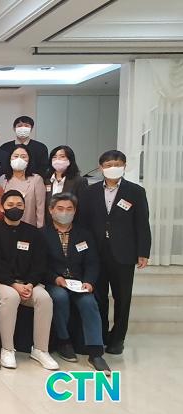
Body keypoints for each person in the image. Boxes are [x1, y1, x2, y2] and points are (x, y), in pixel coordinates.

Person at [78, 150, 151, 355]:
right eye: (108, 165)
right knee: (99, 296)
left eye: (117, 164)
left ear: (124, 166)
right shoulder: (90, 192)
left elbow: (142, 223)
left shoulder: (136, 191)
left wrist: (143, 251)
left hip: (124, 252)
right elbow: (82, 223)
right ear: (101, 167)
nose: (113, 168)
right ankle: (100, 335)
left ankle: (118, 338)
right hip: (97, 252)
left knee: (122, 297)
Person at [0, 190, 58, 370]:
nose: (15, 208)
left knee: (44, 298)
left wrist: (30, 283)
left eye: (19, 205)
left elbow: (40, 263)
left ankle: (40, 349)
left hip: (29, 283)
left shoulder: (33, 233)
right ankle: (7, 349)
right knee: (11, 297)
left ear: (24, 208)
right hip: (2, 282)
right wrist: (13, 284)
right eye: (10, 205)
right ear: (2, 208)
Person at [43, 193, 111, 373]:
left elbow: (92, 262)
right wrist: (55, 278)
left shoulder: (84, 234)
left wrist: (89, 282)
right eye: (60, 209)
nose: (64, 213)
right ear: (51, 210)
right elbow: (40, 264)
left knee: (89, 302)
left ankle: (95, 353)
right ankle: (64, 341)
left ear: (75, 211)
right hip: (55, 282)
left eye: (69, 209)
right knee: (59, 297)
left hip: (79, 283)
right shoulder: (42, 234)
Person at [0, 145, 46, 228]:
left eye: (23, 157)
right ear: (10, 159)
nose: (19, 159)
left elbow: (40, 208)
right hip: (6, 226)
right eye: (16, 156)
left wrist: (40, 228)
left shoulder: (36, 179)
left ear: (29, 160)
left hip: (29, 226)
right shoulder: (3, 179)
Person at [44, 146, 88, 224]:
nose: (57, 159)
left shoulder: (79, 181)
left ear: (70, 160)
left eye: (62, 156)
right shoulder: (46, 180)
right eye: (54, 157)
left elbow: (83, 208)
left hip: (70, 224)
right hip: (49, 224)